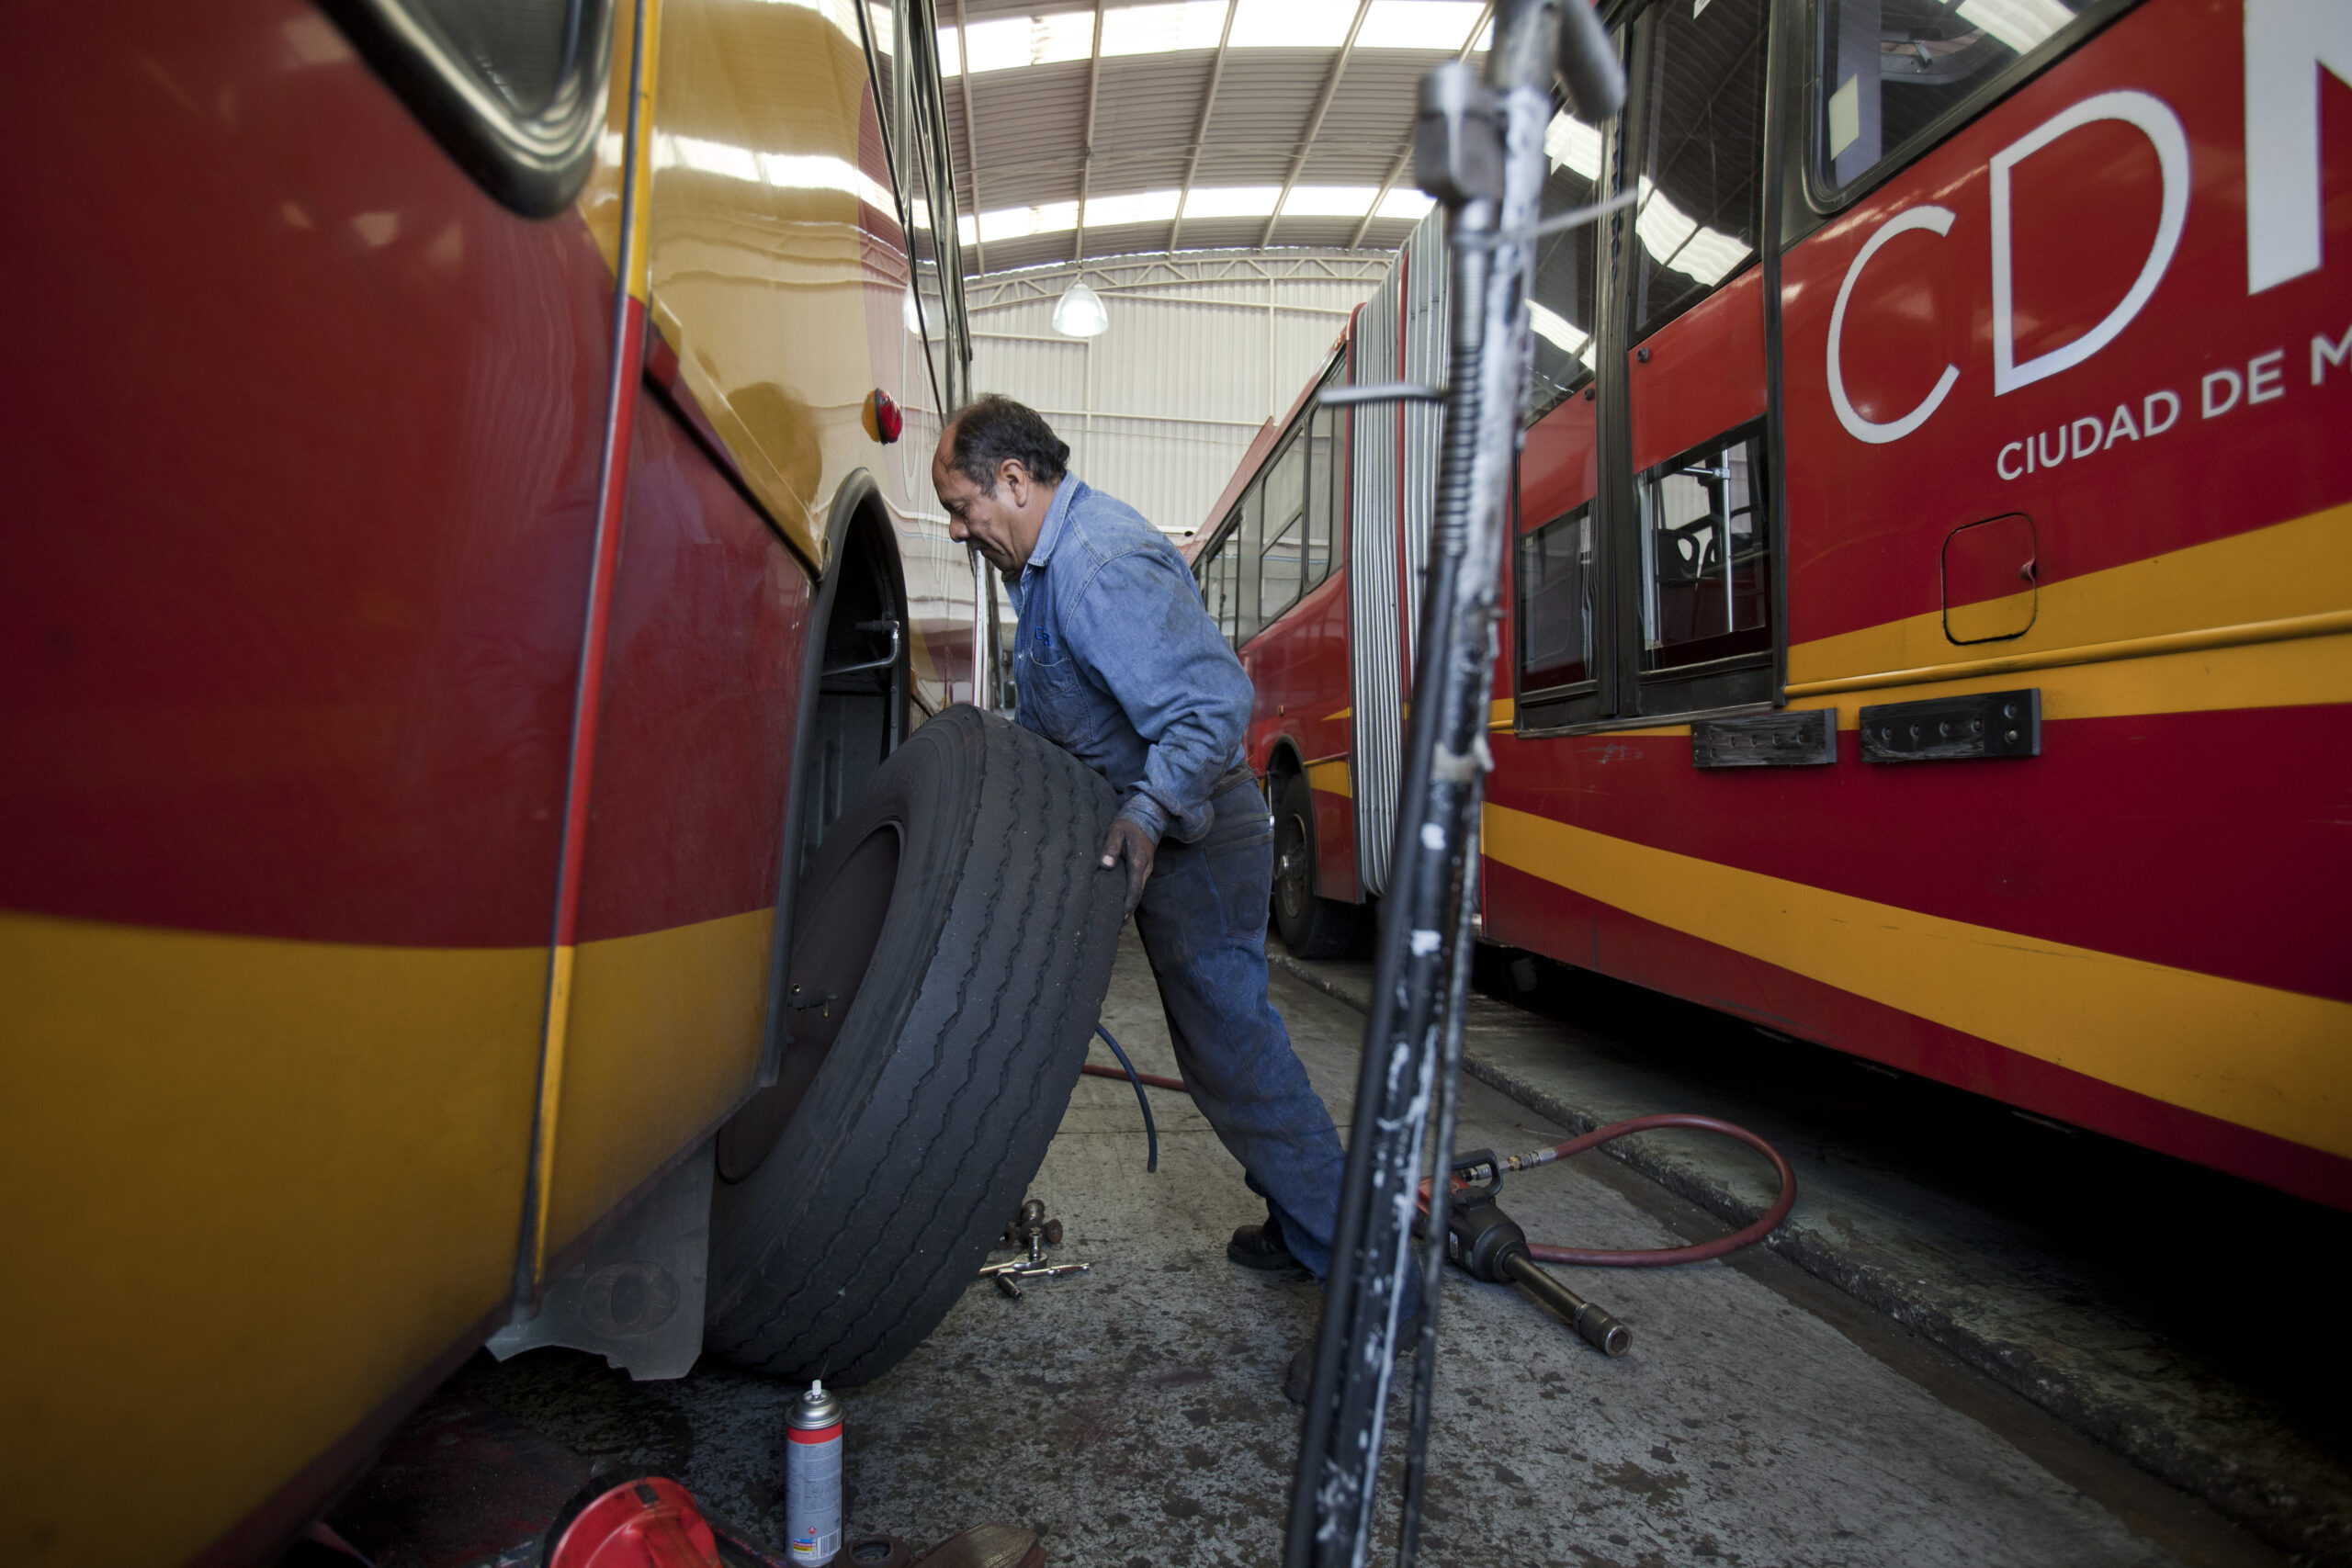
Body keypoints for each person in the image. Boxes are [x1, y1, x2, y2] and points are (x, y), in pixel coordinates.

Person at [931, 394, 1399, 1401]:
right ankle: (1298, 1214)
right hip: (1156, 832)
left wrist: (1143, 816)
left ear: (1014, 480)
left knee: (1236, 1052)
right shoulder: (1044, 570)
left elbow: (1215, 708)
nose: (958, 528)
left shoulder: (1097, 564)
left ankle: (1371, 1292)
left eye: (963, 504)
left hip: (1198, 833)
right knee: (1220, 1050)